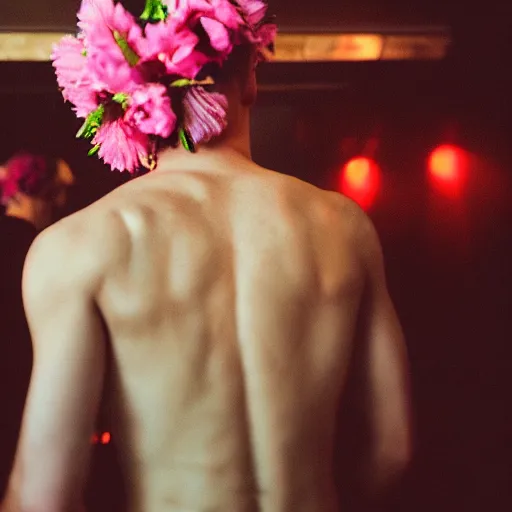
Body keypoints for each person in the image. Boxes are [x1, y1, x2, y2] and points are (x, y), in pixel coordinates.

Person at [2, 1, 411, 511]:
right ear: (251, 78)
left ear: (122, 93)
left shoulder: (79, 246)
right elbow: (392, 448)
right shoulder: (344, 226)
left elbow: (44, 498)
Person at [0, 153, 74, 500]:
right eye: (56, 194)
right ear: (40, 193)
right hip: (26, 391)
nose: (61, 204)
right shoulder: (42, 250)